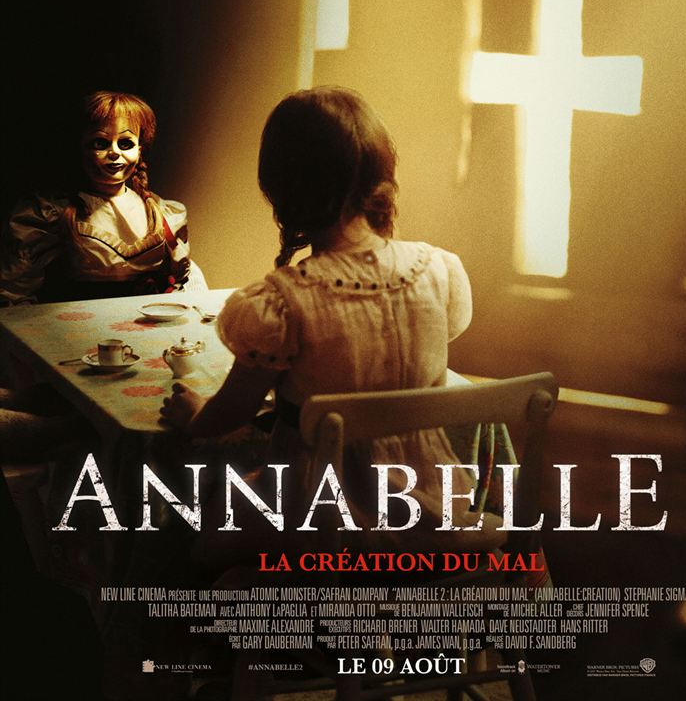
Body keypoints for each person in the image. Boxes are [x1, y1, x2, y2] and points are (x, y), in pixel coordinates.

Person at [160, 86, 497, 559]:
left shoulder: (283, 303)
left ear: (283, 190)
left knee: (194, 535)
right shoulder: (439, 270)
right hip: (431, 507)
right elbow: (439, 336)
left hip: (323, 520)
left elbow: (232, 412)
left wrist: (197, 415)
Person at [0, 89, 207, 305]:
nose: (114, 152)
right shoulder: (50, 214)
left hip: (145, 318)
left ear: (139, 150)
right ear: (79, 148)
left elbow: (182, 280)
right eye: (100, 143)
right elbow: (15, 289)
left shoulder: (159, 212)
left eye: (125, 143)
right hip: (76, 321)